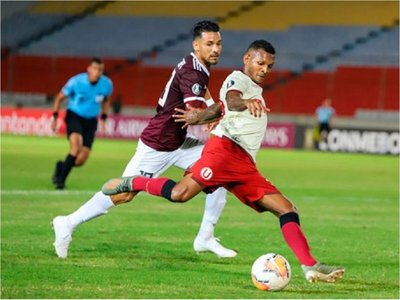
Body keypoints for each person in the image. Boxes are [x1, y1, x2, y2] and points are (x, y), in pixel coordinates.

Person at [102, 40, 345, 283]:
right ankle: (136, 182)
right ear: (247, 59)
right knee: (179, 194)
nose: (265, 69)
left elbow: (221, 108)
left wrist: (201, 116)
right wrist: (243, 103)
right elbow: (231, 100)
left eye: (269, 66)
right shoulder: (237, 79)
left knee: (287, 209)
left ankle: (310, 266)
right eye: (260, 63)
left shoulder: (254, 88)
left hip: (245, 164)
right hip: (224, 152)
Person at [52, 20, 236, 259]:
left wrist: (210, 108)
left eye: (219, 43)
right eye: (210, 44)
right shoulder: (193, 71)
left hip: (179, 141)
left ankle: (205, 237)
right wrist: (221, 111)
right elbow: (193, 116)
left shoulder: (196, 64)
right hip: (158, 144)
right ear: (196, 45)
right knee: (123, 193)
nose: (216, 49)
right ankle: (67, 223)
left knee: (218, 171)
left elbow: (200, 95)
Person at [51, 57, 113, 190]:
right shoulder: (76, 81)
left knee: (80, 160)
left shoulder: (107, 84)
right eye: (95, 69)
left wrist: (103, 118)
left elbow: (106, 101)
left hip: (90, 121)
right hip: (74, 116)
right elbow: (59, 97)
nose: (98, 72)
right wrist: (55, 117)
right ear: (89, 69)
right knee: (76, 147)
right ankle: (60, 181)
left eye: (101, 70)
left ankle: (61, 166)